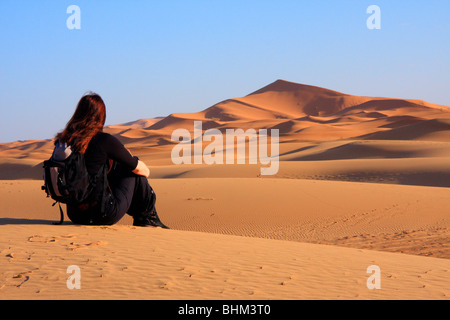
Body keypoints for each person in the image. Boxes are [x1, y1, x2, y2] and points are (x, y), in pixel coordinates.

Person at [55, 92, 169, 228]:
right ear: (101, 116)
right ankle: (147, 218)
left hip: (75, 215)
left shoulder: (63, 142)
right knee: (133, 170)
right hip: (104, 214)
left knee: (118, 168)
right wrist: (133, 161)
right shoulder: (104, 140)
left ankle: (146, 218)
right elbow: (141, 170)